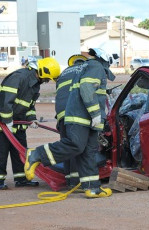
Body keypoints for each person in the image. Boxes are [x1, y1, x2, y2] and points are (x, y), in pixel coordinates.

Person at [24, 48, 116, 198]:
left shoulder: (72, 71)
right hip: (81, 116)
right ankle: (36, 154)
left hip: (78, 117)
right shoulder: (95, 66)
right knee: (76, 145)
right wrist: (95, 114)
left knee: (88, 152)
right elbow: (86, 88)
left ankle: (92, 187)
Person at [0, 57, 61, 190]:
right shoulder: (19, 77)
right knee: (1, 152)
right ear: (43, 72)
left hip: (18, 124)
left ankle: (21, 179)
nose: (46, 81)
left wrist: (32, 118)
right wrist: (7, 121)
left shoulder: (35, 84)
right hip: (4, 124)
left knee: (20, 152)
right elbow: (5, 102)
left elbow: (29, 105)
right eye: (47, 78)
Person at [56, 54, 88, 190]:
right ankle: (77, 182)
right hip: (75, 112)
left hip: (62, 114)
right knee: (77, 146)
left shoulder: (63, 73)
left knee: (67, 146)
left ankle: (70, 180)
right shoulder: (85, 69)